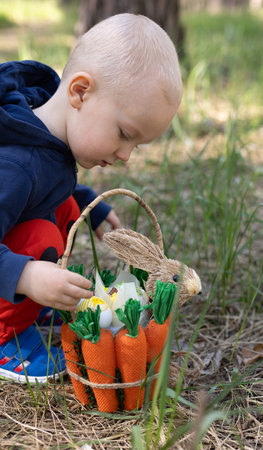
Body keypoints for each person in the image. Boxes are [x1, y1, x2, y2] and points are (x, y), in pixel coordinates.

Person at [0, 13, 182, 383]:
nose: (126, 155)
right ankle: (8, 338)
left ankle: (27, 305)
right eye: (123, 134)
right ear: (80, 92)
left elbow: (50, 184)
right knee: (43, 238)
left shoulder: (48, 137)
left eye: (136, 144)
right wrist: (26, 275)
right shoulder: (14, 166)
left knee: (67, 208)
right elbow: (29, 182)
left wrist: (89, 206)